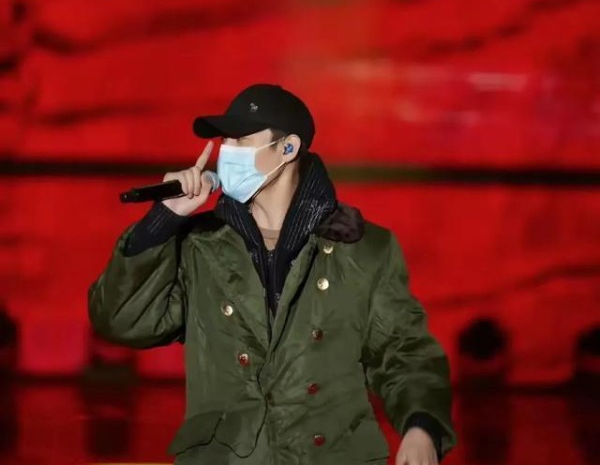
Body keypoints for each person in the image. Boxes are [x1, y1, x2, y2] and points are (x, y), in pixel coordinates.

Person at [88, 84, 457, 465]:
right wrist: (163, 220)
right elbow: (120, 321)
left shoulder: (360, 249)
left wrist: (421, 425)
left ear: (288, 148)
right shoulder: (200, 247)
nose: (227, 152)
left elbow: (404, 352)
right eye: (225, 141)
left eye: (241, 140)